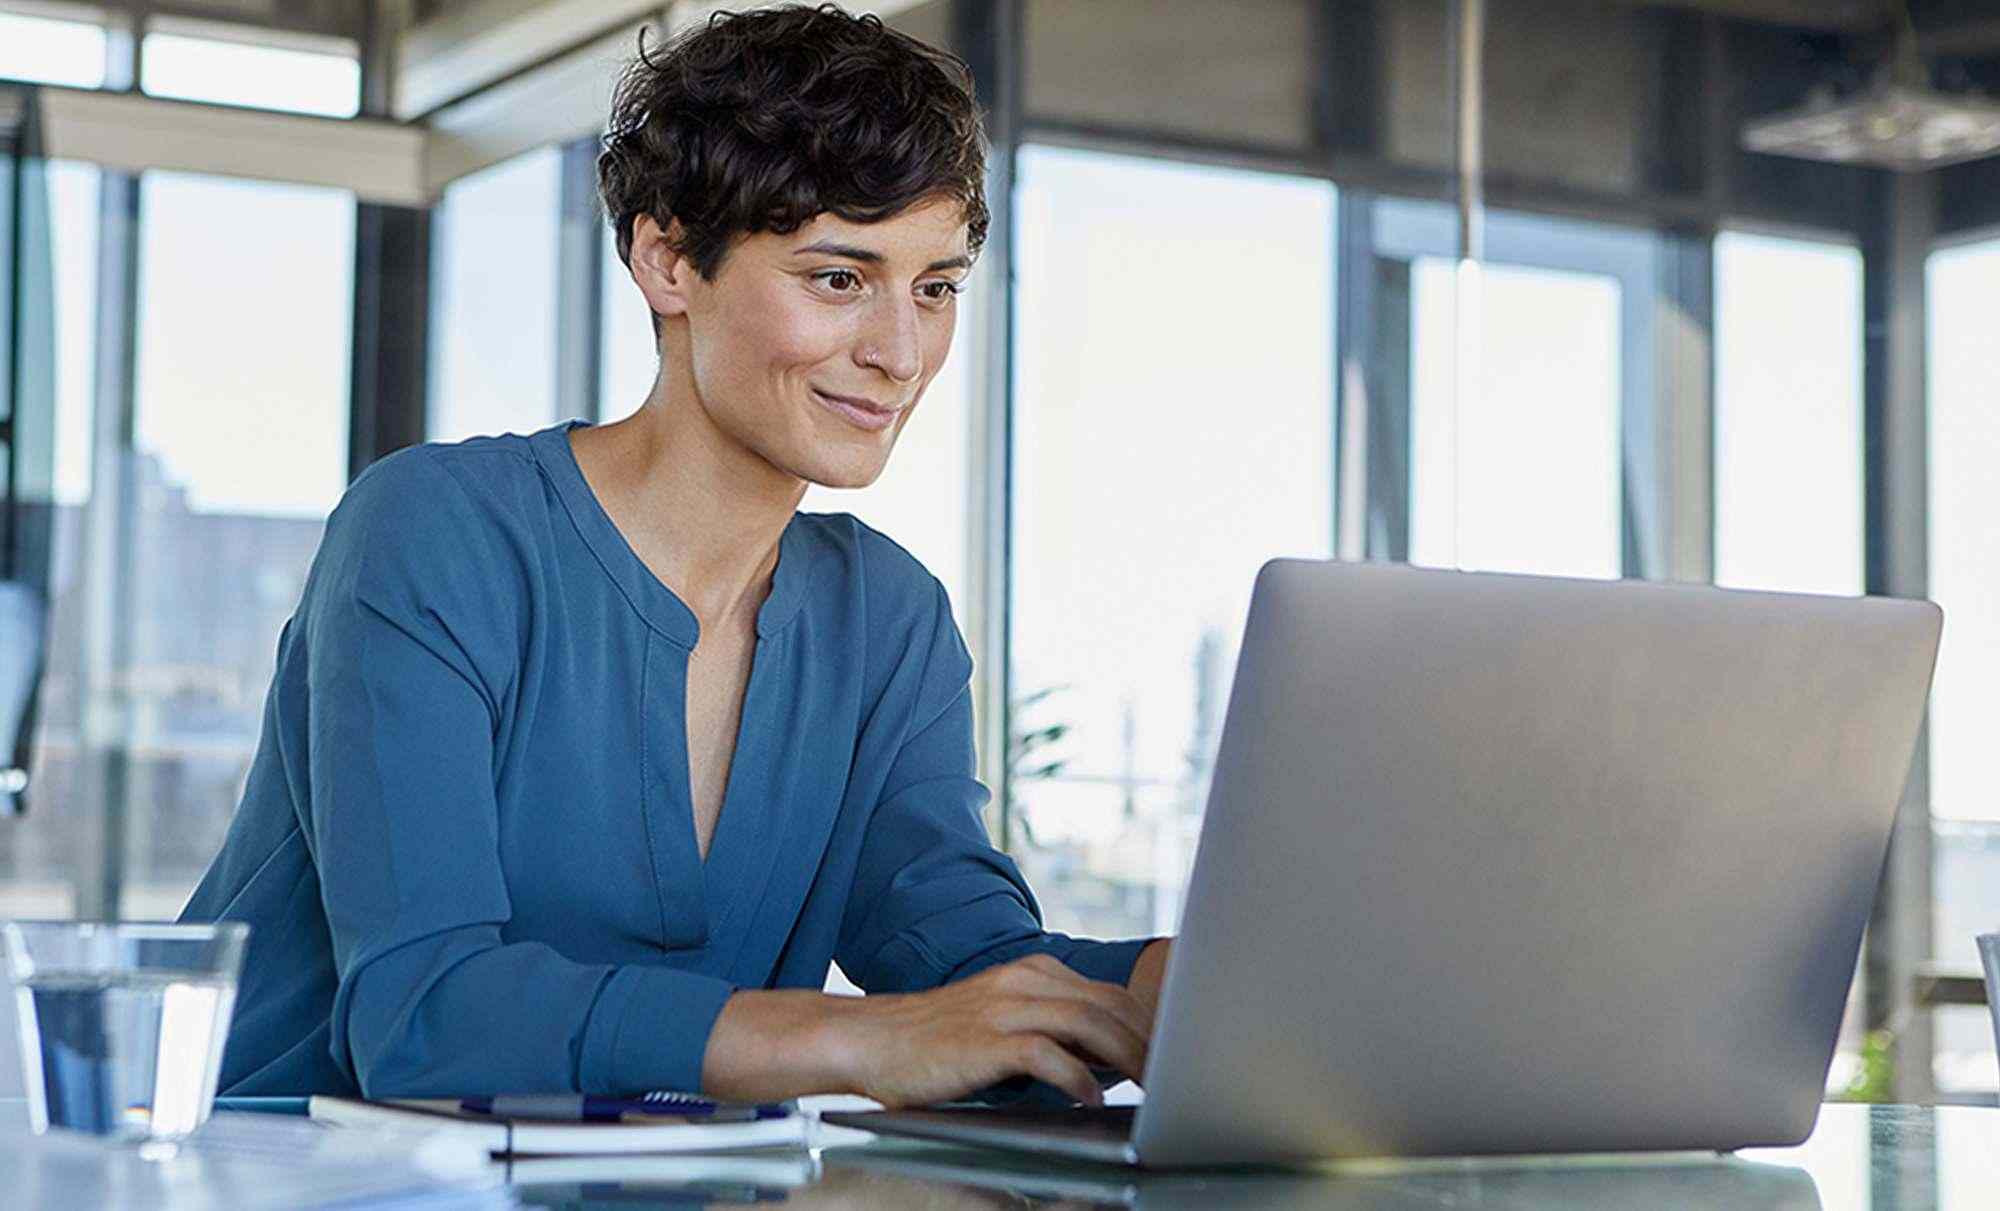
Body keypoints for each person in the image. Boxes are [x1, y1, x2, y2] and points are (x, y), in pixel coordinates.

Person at [180, 2, 1171, 1109]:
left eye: (933, 287)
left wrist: (1170, 980)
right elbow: (424, 1013)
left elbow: (959, 962)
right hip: (288, 1177)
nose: (900, 353)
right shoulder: (436, 531)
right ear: (665, 261)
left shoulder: (884, 616)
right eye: (837, 278)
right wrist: (857, 1040)